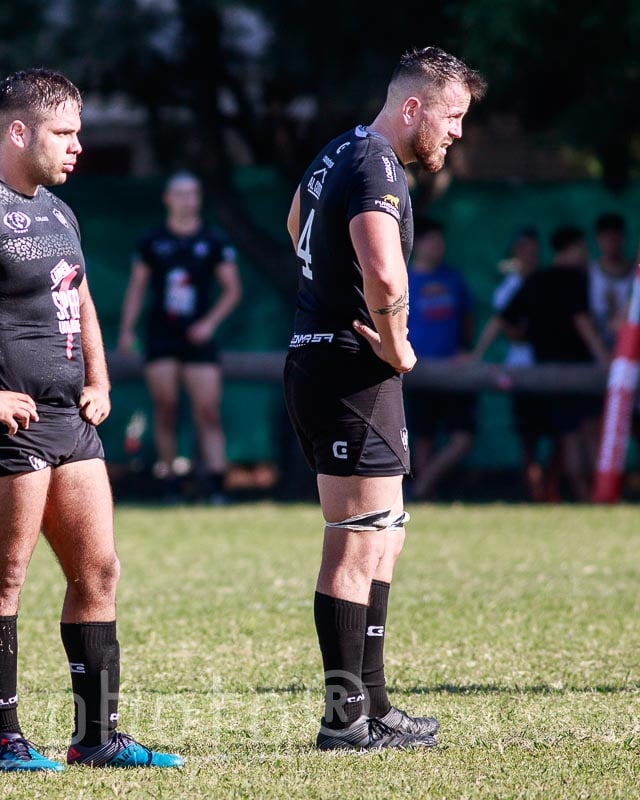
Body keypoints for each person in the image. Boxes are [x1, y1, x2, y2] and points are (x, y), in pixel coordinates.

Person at [0, 68, 182, 772]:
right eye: (65, 132)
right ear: (18, 131)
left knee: (100, 571)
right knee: (6, 579)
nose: (78, 146)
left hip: (69, 420)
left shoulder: (59, 211)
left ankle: (97, 737)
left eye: (80, 132)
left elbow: (79, 295)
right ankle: (4, 740)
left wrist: (100, 375)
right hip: (4, 426)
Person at [283, 47, 484, 750]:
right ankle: (344, 721)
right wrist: (397, 343)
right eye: (452, 117)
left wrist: (327, 291)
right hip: (352, 369)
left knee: (383, 535)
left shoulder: (338, 151)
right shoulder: (378, 166)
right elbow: (386, 273)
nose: (456, 133)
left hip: (325, 361)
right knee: (357, 539)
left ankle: (373, 704)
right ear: (413, 108)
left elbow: (293, 224)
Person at [118, 172, 242, 503]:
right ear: (168, 198)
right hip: (161, 336)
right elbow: (137, 287)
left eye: (194, 194)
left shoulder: (213, 240)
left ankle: (215, 483)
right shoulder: (152, 240)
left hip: (199, 339)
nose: (189, 200)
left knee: (207, 410)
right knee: (166, 407)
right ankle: (171, 479)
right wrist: (127, 330)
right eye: (182, 194)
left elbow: (232, 290)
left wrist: (209, 324)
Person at [494, 226, 609, 501]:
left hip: (545, 371)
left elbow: (503, 318)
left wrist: (475, 356)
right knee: (589, 433)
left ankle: (582, 494)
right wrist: (604, 357)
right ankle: (596, 496)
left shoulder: (537, 279)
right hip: (579, 369)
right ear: (575, 247)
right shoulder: (577, 278)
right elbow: (581, 321)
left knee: (569, 436)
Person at [471, 227, 547, 498]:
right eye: (524, 248)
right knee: (528, 435)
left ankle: (550, 492)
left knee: (560, 433)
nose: (530, 254)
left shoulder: (545, 281)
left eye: (534, 249)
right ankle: (534, 491)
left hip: (549, 367)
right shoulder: (509, 289)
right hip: (522, 369)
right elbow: (514, 330)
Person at [403, 217, 475, 499]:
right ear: (417, 243)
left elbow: (467, 318)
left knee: (463, 436)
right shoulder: (404, 278)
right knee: (423, 438)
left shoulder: (453, 278)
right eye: (432, 240)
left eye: (440, 241)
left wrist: (465, 348)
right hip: (418, 372)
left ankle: (419, 490)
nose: (438, 246)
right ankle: (425, 497)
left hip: (453, 372)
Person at [587, 213, 631, 351]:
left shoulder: (636, 275)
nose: (610, 242)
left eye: (615, 237)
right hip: (595, 355)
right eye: (606, 237)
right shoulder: (588, 273)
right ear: (598, 239)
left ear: (623, 238)